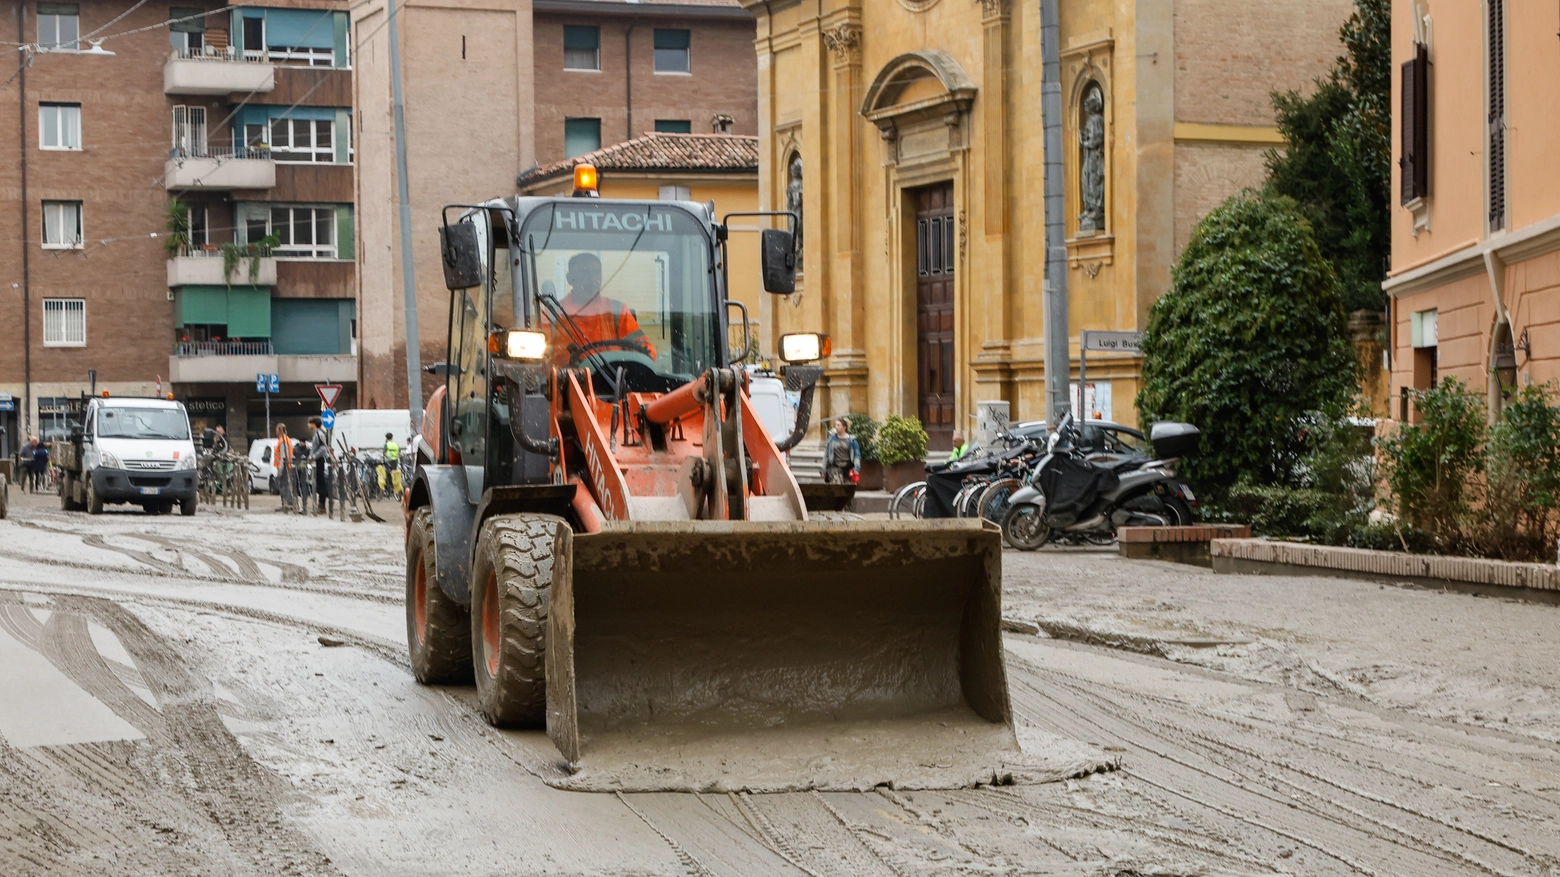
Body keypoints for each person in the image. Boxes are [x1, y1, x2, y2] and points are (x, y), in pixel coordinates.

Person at [542, 252, 656, 367]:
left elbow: (645, 349)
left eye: (596, 273)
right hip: (567, 382)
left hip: (614, 380)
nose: (591, 279)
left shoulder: (618, 311)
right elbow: (539, 359)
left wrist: (645, 357)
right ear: (570, 279)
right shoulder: (552, 315)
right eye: (584, 273)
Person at [821, 418, 861, 485]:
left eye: (838, 425)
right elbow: (826, 454)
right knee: (837, 485)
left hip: (848, 467)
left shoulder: (852, 440)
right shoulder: (831, 440)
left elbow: (857, 455)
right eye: (835, 425)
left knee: (847, 489)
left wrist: (856, 468)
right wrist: (823, 469)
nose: (836, 427)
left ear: (844, 427)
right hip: (834, 467)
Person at [308, 416, 329, 512]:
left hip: (320, 460)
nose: (308, 425)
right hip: (317, 460)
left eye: (309, 423)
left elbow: (323, 448)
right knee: (318, 481)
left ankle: (322, 505)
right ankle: (320, 504)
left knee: (321, 482)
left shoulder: (320, 434)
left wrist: (314, 456)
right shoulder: (316, 434)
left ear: (314, 424)